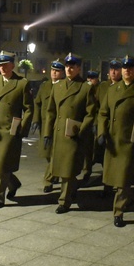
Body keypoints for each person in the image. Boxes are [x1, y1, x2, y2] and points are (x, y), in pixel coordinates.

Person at [97, 56, 134, 227]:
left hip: (129, 143)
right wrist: (102, 132)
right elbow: (103, 113)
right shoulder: (112, 89)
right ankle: (128, 198)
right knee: (117, 178)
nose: (126, 70)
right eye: (124, 67)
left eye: (131, 68)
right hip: (113, 141)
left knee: (122, 180)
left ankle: (118, 211)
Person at [44, 53, 97, 214]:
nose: (69, 69)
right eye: (67, 66)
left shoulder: (85, 87)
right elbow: (51, 111)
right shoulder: (58, 86)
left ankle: (64, 201)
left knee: (68, 170)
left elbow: (90, 112)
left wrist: (81, 130)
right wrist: (47, 132)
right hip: (59, 133)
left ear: (79, 68)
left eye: (72, 67)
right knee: (60, 168)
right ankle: (70, 191)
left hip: (73, 135)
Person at [0, 51, 33, 206]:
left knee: (3, 163)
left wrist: (22, 129)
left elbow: (29, 108)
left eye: (5, 65)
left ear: (13, 65)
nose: (2, 68)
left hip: (11, 130)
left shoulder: (22, 83)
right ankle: (13, 183)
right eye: (0, 65)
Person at [31, 59, 64, 193]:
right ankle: (55, 173)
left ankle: (48, 180)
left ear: (62, 73)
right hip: (45, 125)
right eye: (53, 70)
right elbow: (37, 103)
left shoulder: (64, 86)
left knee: (55, 153)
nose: (54, 73)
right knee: (47, 153)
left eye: (57, 71)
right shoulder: (45, 86)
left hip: (57, 125)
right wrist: (35, 120)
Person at [94, 59, 122, 197]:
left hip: (119, 128)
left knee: (116, 158)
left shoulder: (123, 86)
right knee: (105, 158)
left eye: (116, 69)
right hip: (104, 126)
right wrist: (98, 126)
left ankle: (115, 185)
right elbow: (97, 106)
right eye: (111, 69)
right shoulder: (103, 86)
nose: (113, 72)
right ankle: (107, 184)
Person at [80, 70, 101, 183]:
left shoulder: (100, 89)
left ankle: (87, 171)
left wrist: (96, 123)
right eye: (89, 77)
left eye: (93, 78)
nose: (90, 80)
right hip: (85, 122)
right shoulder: (85, 88)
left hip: (95, 122)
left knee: (90, 149)